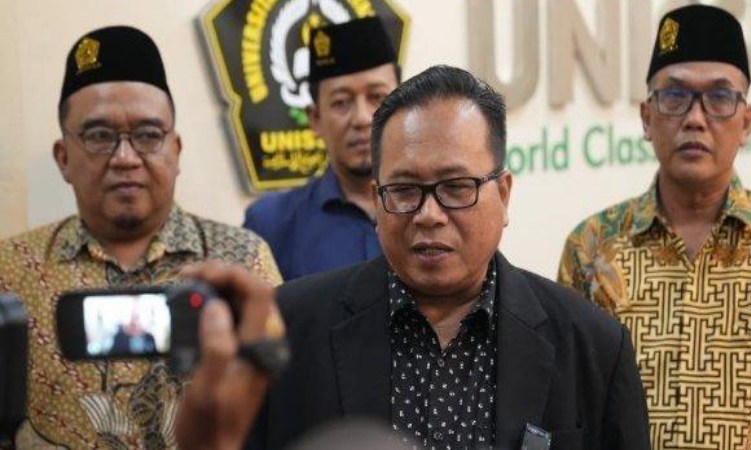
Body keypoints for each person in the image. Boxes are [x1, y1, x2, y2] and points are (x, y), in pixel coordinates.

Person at [177, 65, 650, 450]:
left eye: (456, 187)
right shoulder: (289, 331)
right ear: (376, 200)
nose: (428, 215)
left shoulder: (592, 346)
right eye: (404, 190)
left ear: (504, 194)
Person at [0, 26, 281, 448]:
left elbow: (283, 405)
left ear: (176, 150)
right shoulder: (11, 270)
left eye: (148, 135)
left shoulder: (241, 262)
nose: (125, 158)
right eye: (99, 136)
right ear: (63, 158)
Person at [558, 5, 751, 449]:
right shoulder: (592, 246)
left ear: (747, 122)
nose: (695, 118)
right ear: (646, 117)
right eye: (674, 96)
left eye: (719, 97)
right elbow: (573, 417)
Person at [244, 17, 400, 280]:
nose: (362, 118)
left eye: (377, 97)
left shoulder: (433, 211)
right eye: (341, 102)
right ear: (315, 118)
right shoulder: (271, 224)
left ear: (403, 108)